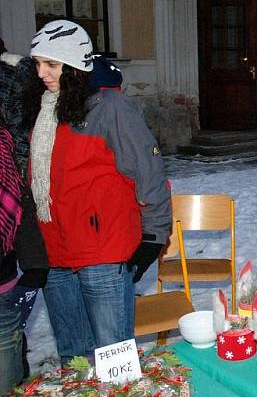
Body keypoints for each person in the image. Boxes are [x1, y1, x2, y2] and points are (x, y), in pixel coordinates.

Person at [22, 20, 172, 364]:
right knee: (74, 356)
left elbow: (148, 172)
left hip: (102, 252)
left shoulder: (110, 108)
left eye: (52, 64)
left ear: (75, 66)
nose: (42, 72)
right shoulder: (46, 109)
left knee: (112, 356)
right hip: (56, 251)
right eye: (38, 63)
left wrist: (153, 234)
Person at [0, 39, 48, 387]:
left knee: (7, 333)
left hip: (19, 195)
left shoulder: (20, 75)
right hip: (19, 197)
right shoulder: (21, 73)